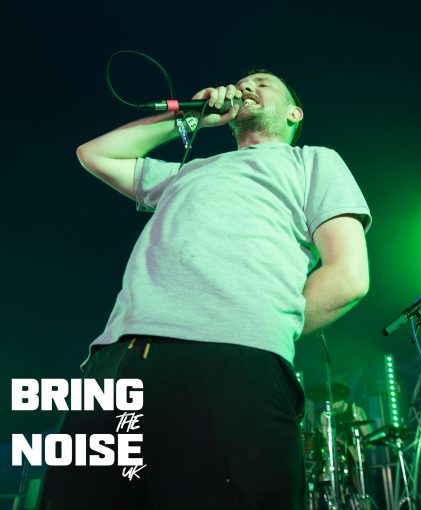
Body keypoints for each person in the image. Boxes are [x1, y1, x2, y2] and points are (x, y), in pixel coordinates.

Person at [40, 69, 371, 510]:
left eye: (263, 83)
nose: (247, 86)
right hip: (117, 359)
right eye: (244, 81)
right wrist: (192, 118)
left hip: (231, 358)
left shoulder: (312, 161)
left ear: (294, 113)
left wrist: (261, 325)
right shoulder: (188, 170)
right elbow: (95, 154)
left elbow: (348, 274)